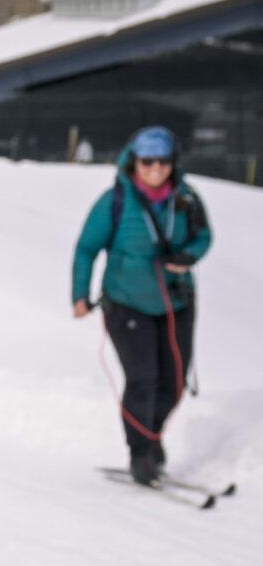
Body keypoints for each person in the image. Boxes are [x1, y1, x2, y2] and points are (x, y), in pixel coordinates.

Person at [72, 124, 210, 484]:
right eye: (147, 161)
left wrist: (188, 256)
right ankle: (141, 453)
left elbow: (204, 235)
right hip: (126, 303)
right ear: (134, 162)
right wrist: (79, 295)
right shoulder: (115, 201)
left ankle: (152, 435)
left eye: (163, 162)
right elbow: (87, 248)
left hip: (176, 302)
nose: (155, 169)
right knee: (143, 379)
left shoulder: (186, 198)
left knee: (174, 382)